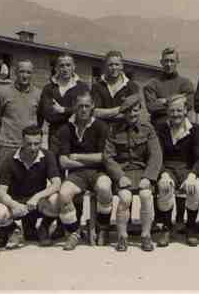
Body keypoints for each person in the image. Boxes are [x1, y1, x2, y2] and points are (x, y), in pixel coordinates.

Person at [102, 94, 163, 252]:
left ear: (140, 110)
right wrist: (119, 176)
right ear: (124, 113)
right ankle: (122, 236)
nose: (132, 115)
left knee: (146, 196)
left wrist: (148, 177)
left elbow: (156, 155)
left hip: (142, 172)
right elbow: (108, 156)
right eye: (128, 112)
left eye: (135, 111)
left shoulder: (147, 128)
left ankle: (146, 235)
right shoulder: (114, 129)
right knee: (125, 197)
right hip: (123, 172)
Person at [38, 53, 89, 239]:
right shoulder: (49, 88)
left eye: (68, 65)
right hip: (56, 138)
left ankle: (74, 225)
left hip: (77, 135)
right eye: (61, 65)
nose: (65, 68)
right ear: (56, 68)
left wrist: (64, 110)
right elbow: (49, 115)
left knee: (77, 180)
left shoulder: (82, 87)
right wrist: (71, 112)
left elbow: (86, 111)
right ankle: (57, 223)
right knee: (57, 180)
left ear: (74, 67)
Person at [53, 93, 111, 250]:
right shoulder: (66, 128)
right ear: (74, 108)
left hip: (98, 172)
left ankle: (102, 227)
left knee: (105, 188)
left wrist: (78, 156)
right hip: (77, 175)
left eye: (87, 106)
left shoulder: (101, 126)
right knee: (63, 194)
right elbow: (63, 161)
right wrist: (87, 161)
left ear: (92, 106)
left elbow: (103, 157)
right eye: (80, 106)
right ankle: (74, 232)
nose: (83, 109)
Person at [0, 125, 61, 248]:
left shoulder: (47, 155)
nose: (33, 148)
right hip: (16, 202)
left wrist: (37, 197)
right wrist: (14, 205)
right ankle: (12, 229)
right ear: (22, 142)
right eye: (29, 144)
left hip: (36, 203)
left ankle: (43, 228)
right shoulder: (9, 159)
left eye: (37, 143)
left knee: (56, 200)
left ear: (41, 142)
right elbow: (0, 193)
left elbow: (57, 184)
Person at [154, 94, 199, 247]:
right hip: (168, 167)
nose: (175, 114)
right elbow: (157, 155)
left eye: (179, 110)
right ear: (167, 112)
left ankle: (191, 227)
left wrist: (193, 175)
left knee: (195, 187)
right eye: (172, 111)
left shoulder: (195, 130)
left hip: (188, 168)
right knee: (164, 185)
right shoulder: (161, 128)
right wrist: (163, 173)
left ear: (186, 110)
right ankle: (167, 227)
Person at [0, 59, 42, 180]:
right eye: (21, 71)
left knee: (28, 184)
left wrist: (32, 138)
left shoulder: (38, 94)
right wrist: (5, 133)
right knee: (4, 184)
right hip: (7, 147)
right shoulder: (2, 92)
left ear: (32, 74)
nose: (25, 75)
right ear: (15, 73)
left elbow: (39, 119)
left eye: (28, 72)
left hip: (30, 147)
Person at [143, 47, 195, 126]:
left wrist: (165, 101)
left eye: (172, 61)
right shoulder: (152, 84)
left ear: (177, 62)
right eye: (166, 61)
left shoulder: (186, 83)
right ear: (161, 62)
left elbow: (189, 105)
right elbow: (151, 107)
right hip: (159, 128)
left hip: (181, 128)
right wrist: (178, 100)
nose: (169, 64)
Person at [91, 50, 140, 127]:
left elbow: (132, 114)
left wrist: (105, 113)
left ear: (122, 66)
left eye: (117, 64)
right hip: (101, 129)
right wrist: (122, 108)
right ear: (105, 66)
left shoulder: (132, 86)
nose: (114, 68)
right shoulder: (97, 86)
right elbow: (95, 113)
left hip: (123, 130)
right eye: (110, 65)